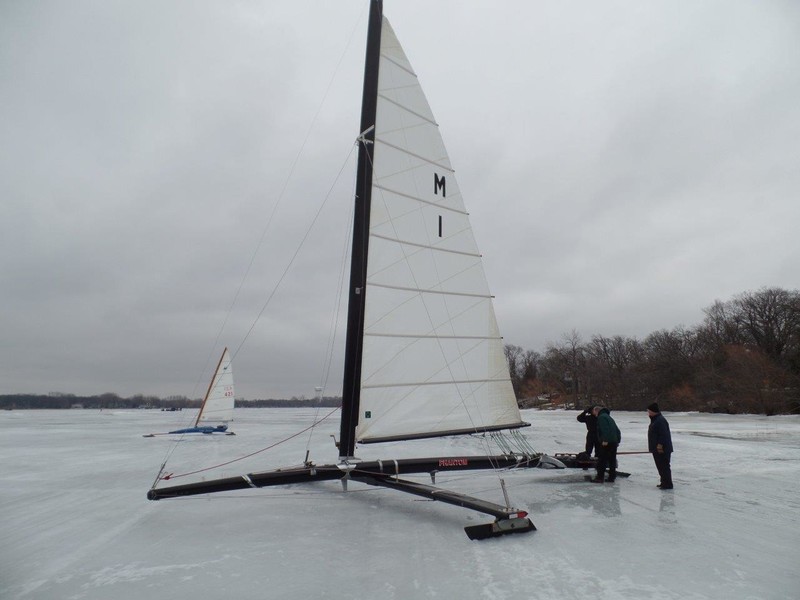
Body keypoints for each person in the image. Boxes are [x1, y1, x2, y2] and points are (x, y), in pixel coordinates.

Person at [647, 402, 673, 489]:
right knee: (660, 466)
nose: (648, 413)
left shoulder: (660, 420)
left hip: (662, 449)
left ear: (654, 411)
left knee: (664, 466)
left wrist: (660, 445)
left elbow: (663, 434)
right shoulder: (655, 420)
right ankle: (664, 482)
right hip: (657, 448)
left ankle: (667, 484)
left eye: (649, 411)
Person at [591, 405, 621, 483]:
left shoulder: (601, 418)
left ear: (596, 411)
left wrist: (605, 440)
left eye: (594, 413)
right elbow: (617, 430)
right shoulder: (609, 417)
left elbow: (605, 429)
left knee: (602, 460)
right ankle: (612, 477)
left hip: (607, 442)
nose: (594, 414)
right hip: (613, 442)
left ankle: (600, 477)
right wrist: (617, 440)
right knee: (612, 460)